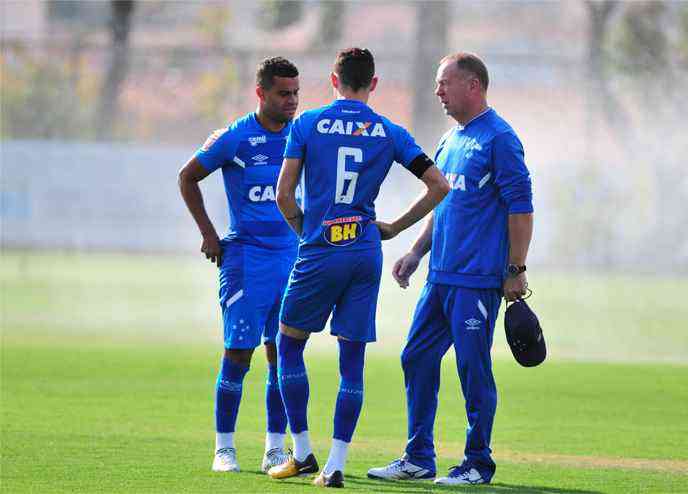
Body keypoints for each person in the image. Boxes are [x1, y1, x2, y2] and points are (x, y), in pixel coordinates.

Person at [267, 47, 450, 488]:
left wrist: (304, 232)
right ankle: (334, 465)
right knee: (352, 362)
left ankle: (304, 452)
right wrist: (393, 228)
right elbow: (439, 185)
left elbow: (284, 195)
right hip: (365, 249)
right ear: (374, 83)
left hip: (320, 248)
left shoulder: (307, 123)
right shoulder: (388, 130)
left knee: (288, 346)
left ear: (333, 80)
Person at [367, 52, 534, 485]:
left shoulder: (500, 139)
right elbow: (442, 207)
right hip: (439, 277)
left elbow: (521, 209)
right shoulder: (449, 140)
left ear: (473, 85)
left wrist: (516, 268)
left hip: (478, 280)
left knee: (472, 369)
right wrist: (416, 252)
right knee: (416, 358)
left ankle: (477, 463)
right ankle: (419, 457)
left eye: (445, 83)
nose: (437, 91)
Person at [178, 57, 301, 473]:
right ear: (261, 93)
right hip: (247, 259)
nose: (292, 101)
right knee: (238, 353)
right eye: (284, 94)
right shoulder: (235, 137)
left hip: (291, 258)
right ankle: (224, 447)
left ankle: (273, 447)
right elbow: (187, 176)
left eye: (296, 93)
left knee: (281, 355)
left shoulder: (300, 137)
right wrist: (209, 235)